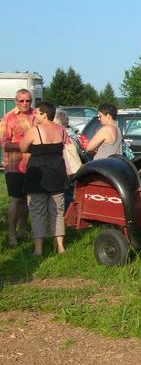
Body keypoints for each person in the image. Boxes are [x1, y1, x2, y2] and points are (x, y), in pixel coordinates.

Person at [19, 101, 68, 256]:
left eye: (38, 112)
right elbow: (66, 145)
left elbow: (22, 147)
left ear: (44, 114)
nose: (35, 114)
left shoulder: (35, 130)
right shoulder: (61, 130)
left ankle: (38, 249)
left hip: (38, 176)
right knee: (58, 211)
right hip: (58, 174)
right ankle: (60, 247)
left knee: (37, 211)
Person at [0, 89, 37, 246]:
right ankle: (12, 234)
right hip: (15, 165)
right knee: (16, 199)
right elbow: (3, 143)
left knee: (28, 198)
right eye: (21, 101)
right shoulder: (9, 118)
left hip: (33, 165)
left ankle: (23, 230)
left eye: (28, 100)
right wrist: (23, 146)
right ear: (16, 101)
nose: (25, 104)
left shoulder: (37, 115)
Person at [54, 109, 83, 211]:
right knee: (71, 192)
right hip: (75, 167)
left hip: (68, 168)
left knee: (67, 194)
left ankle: (69, 217)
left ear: (59, 122)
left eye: (54, 121)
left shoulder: (63, 133)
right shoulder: (73, 132)